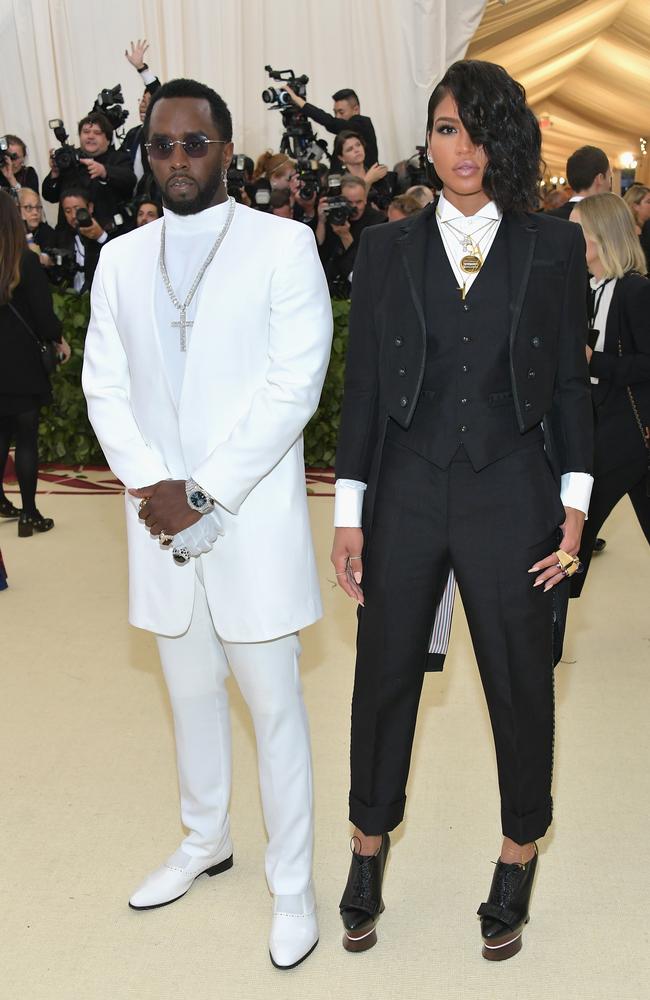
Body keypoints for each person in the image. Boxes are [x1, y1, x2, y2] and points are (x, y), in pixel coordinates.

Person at [331, 59, 593, 961]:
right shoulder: (385, 247)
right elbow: (363, 388)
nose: (463, 147)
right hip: (405, 487)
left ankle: (518, 851)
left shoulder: (553, 247)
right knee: (384, 672)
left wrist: (575, 505)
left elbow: (568, 384)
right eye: (447, 127)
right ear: (430, 139)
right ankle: (368, 845)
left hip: (512, 485)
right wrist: (349, 511)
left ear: (504, 139)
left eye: (479, 129)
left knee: (521, 683)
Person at [81, 77, 332, 970]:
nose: (176, 160)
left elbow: (293, 386)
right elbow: (104, 385)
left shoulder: (283, 244)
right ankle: (205, 838)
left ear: (228, 148)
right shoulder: (120, 257)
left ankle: (293, 884)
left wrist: (207, 489)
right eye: (161, 146)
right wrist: (154, 486)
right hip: (160, 528)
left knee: (274, 710)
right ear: (144, 154)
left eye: (194, 144)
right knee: (188, 697)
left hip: (248, 522)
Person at [567, 193, 650, 595]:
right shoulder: (588, 288)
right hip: (605, 427)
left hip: (628, 433)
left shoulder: (635, 292)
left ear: (600, 236)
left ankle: (547, 632)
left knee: (572, 532)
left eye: (576, 229)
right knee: (573, 530)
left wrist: (593, 361)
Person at [0, 190, 70, 535]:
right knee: (26, 439)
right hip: (22, 365)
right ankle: (29, 514)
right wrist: (58, 339)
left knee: (0, 436)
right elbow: (44, 317)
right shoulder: (24, 261)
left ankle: (1, 500)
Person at [42, 112, 136, 230]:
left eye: (97, 133)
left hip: (105, 233)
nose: (90, 136)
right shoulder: (69, 158)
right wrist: (55, 173)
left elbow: (130, 181)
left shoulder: (119, 158)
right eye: (86, 132)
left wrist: (104, 171)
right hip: (70, 237)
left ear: (107, 139)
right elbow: (49, 196)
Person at [317, 175, 386, 296]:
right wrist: (321, 221)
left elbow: (365, 264)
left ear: (365, 199)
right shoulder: (333, 215)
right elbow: (319, 248)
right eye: (348, 202)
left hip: (357, 289)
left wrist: (345, 236)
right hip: (330, 285)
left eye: (358, 202)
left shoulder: (378, 221)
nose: (354, 207)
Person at [281, 85, 378, 168]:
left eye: (341, 112)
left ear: (356, 110)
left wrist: (297, 100)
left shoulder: (363, 124)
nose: (337, 117)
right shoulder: (342, 135)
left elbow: (330, 122)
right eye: (335, 112)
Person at [120, 38, 162, 199]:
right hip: (134, 200)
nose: (143, 107)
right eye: (142, 102)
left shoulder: (162, 133)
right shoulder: (133, 134)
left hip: (156, 198)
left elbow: (159, 92)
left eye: (149, 103)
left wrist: (142, 69)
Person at [55, 187, 112, 293]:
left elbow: (116, 258)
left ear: (90, 207)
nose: (73, 216)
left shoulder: (108, 227)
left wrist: (100, 236)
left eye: (77, 209)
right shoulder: (61, 237)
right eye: (67, 211)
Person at [547, 146, 611, 220]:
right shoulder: (606, 221)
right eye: (609, 178)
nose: (609, 185)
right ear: (600, 178)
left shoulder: (548, 220)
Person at [331, 131, 391, 207]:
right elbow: (352, 209)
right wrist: (368, 181)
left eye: (358, 145)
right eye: (350, 149)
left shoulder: (374, 172)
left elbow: (387, 203)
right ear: (341, 158)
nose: (356, 150)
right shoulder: (340, 181)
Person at [17, 188, 56, 261]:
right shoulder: (11, 231)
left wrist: (41, 256)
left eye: (38, 207)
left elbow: (51, 259)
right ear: (17, 209)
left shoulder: (48, 232)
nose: (35, 212)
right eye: (28, 207)